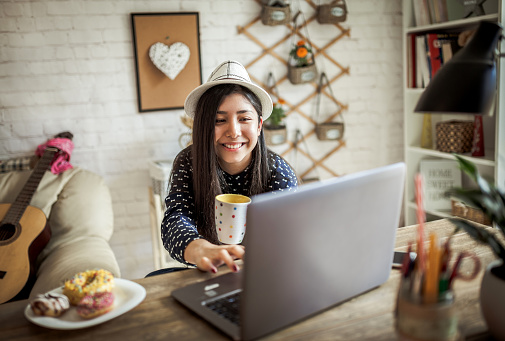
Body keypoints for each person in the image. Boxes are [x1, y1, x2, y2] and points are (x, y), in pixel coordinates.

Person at [160, 60, 298, 275]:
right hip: (209, 271)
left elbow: (287, 234)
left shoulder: (278, 171)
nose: (233, 131)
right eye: (218, 120)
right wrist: (199, 248)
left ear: (259, 125)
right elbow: (176, 217)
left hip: (264, 273)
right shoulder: (188, 162)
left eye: (244, 119)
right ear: (203, 126)